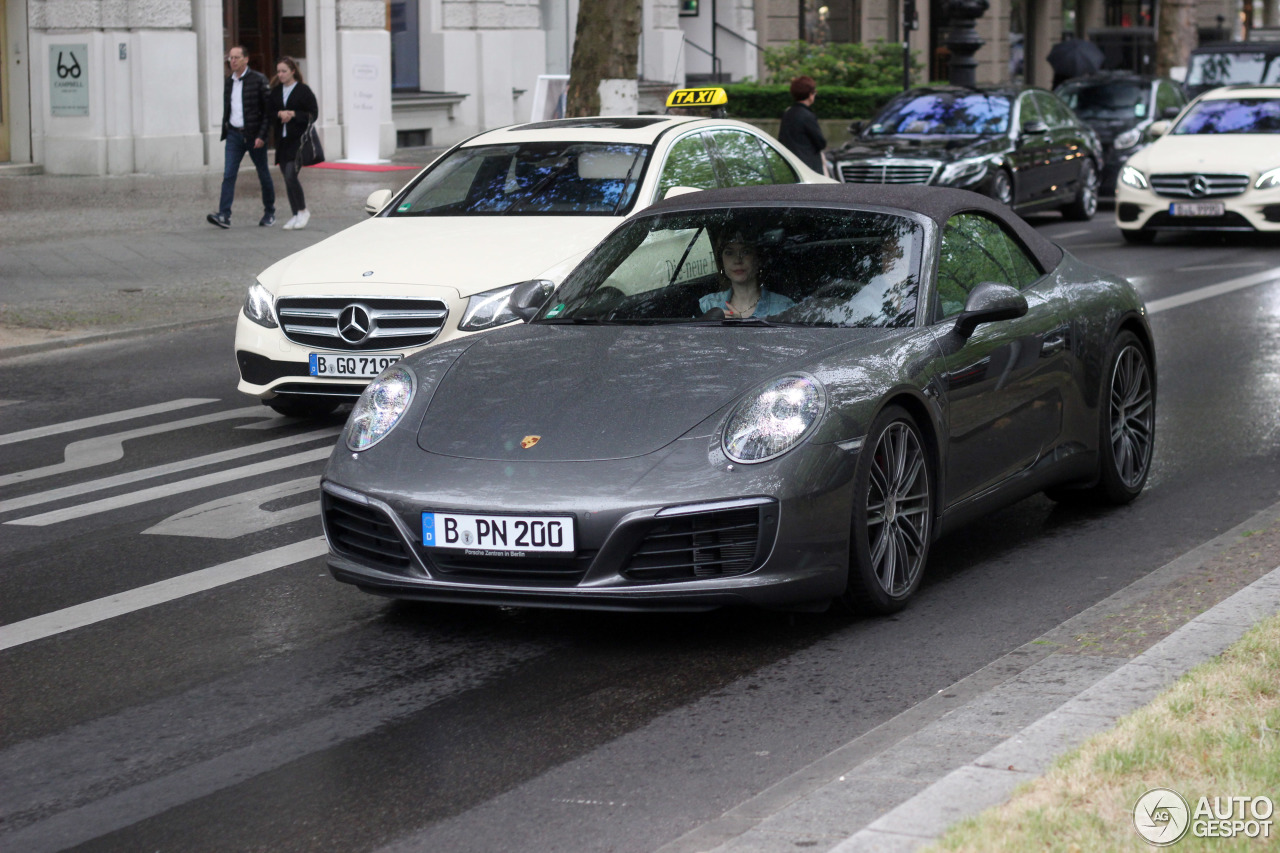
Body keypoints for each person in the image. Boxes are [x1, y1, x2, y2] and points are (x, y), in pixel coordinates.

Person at [208, 44, 276, 229]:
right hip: (234, 135)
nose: (233, 61)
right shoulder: (229, 81)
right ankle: (224, 214)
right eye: (231, 58)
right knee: (229, 174)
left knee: (263, 174)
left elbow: (268, 111)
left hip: (254, 136)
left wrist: (262, 136)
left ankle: (269, 211)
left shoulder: (258, 80)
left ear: (246, 59)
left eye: (237, 57)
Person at [269, 56, 318, 230]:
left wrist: (294, 114)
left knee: (291, 175)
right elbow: (270, 111)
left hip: (298, 141)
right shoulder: (276, 91)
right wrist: (279, 114)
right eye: (278, 71)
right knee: (287, 177)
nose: (280, 74)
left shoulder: (303, 91)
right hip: (282, 141)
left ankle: (303, 210)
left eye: (284, 71)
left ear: (293, 71)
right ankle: (295, 213)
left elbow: (313, 113)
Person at [698, 232, 795, 318]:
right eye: (729, 253)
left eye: (745, 252)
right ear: (721, 261)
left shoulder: (784, 307)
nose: (737, 260)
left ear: (758, 259)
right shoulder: (707, 305)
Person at [777, 76, 826, 174]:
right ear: (810, 94)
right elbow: (820, 143)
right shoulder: (807, 116)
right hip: (808, 167)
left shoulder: (787, 113)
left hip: (790, 165)